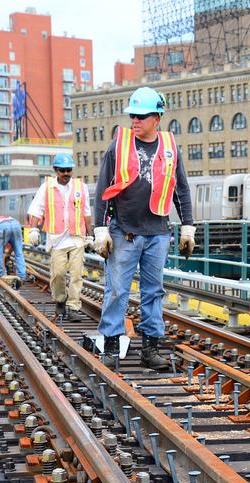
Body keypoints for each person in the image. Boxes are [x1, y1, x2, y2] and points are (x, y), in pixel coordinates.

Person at [92, 86, 196, 371]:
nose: (135, 121)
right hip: (124, 231)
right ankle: (111, 347)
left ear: (157, 117)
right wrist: (100, 229)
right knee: (117, 290)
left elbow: (181, 189)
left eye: (141, 116)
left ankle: (150, 350)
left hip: (158, 232)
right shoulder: (119, 145)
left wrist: (188, 226)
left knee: (154, 292)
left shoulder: (170, 148)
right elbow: (103, 188)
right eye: (132, 116)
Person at [27, 153, 91, 321]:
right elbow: (35, 210)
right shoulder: (46, 188)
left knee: (77, 274)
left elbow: (86, 213)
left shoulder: (80, 187)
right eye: (62, 170)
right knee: (58, 274)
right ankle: (60, 300)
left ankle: (73, 306)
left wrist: (90, 235)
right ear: (56, 170)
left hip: (77, 237)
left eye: (69, 170)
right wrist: (33, 229)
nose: (66, 174)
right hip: (57, 239)